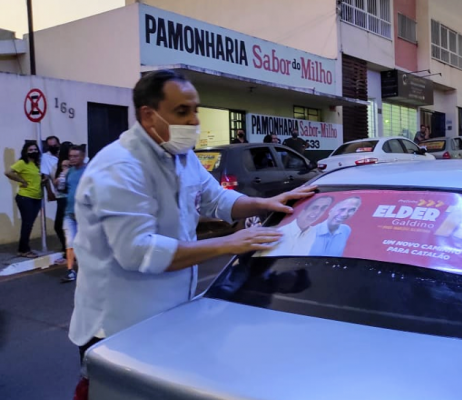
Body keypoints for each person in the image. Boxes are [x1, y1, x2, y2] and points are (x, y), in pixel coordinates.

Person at [68, 70, 316, 399]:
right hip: (118, 329)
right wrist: (227, 243)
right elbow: (138, 251)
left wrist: (263, 203)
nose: (194, 120)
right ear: (148, 115)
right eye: (182, 111)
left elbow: (217, 198)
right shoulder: (121, 166)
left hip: (169, 318)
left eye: (195, 109)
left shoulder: (181, 157)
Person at [5, 142, 43, 258]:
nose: (33, 151)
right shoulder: (22, 162)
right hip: (25, 197)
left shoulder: (37, 164)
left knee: (29, 224)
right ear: (26, 151)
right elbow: (8, 172)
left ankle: (24, 248)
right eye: (30, 150)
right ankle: (23, 250)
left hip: (37, 197)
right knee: (27, 224)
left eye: (35, 149)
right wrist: (22, 181)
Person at [57, 145, 88, 283]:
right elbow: (62, 189)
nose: (73, 159)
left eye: (76, 156)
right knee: (70, 243)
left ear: (82, 156)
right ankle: (70, 271)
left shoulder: (89, 170)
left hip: (85, 214)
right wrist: (59, 179)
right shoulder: (68, 172)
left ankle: (86, 270)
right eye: (71, 156)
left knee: (84, 243)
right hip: (69, 213)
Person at [266, 195, 335, 256]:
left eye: (323, 209)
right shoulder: (277, 233)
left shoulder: (314, 234)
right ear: (301, 210)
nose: (317, 212)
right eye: (314, 208)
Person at [40, 135, 68, 260]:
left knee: (64, 225)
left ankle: (69, 249)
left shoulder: (68, 160)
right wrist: (49, 191)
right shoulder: (47, 158)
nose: (53, 147)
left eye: (55, 144)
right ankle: (67, 248)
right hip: (61, 196)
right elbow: (47, 177)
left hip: (69, 197)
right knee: (62, 225)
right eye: (50, 145)